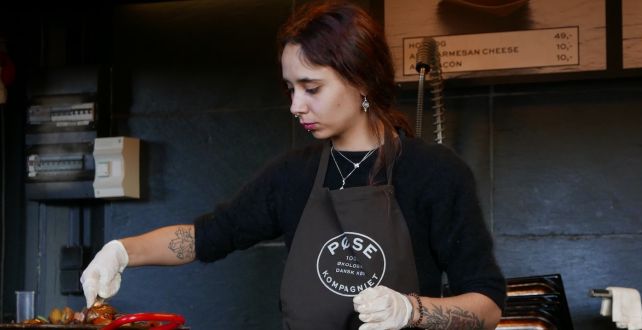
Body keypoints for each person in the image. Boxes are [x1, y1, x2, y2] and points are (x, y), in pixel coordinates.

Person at [79, 2, 506, 329]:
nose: (296, 106)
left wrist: (410, 311)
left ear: (362, 80)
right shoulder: (292, 176)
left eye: (311, 87)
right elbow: (208, 236)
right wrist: (121, 252)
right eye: (290, 88)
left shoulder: (434, 173)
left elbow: (486, 306)